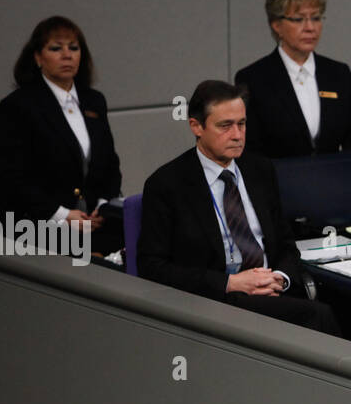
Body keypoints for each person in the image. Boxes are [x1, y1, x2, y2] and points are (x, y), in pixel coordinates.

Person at [138, 80, 339, 334]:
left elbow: (286, 245)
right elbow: (152, 267)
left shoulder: (260, 170)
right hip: (215, 301)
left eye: (242, 124)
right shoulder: (168, 184)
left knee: (349, 308)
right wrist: (230, 283)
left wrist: (279, 278)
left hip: (272, 291)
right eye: (225, 126)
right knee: (318, 317)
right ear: (196, 126)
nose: (237, 135)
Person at [0, 16, 124, 259]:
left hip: (94, 219)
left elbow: (110, 165)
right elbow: (12, 179)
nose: (67, 55)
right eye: (56, 48)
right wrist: (63, 215)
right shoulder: (18, 106)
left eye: (73, 48)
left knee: (144, 241)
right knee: (90, 261)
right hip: (37, 220)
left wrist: (102, 207)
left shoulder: (94, 101)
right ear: (37, 57)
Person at [234, 0, 351, 159]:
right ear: (277, 25)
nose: (310, 28)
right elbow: (249, 147)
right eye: (299, 19)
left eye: (316, 18)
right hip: (279, 183)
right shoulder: (253, 78)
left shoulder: (338, 73)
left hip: (336, 181)